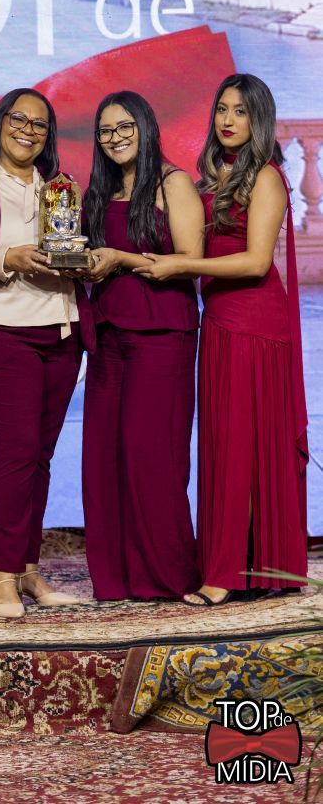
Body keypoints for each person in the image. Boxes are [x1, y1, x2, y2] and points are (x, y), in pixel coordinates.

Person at [135, 74, 308, 605]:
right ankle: (242, 564)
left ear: (260, 120)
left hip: (255, 324)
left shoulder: (267, 177)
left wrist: (181, 266)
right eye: (222, 109)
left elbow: (256, 262)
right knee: (225, 445)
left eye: (241, 111)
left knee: (242, 447)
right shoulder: (215, 177)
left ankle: (226, 574)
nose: (228, 120)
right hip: (219, 321)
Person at [0, 88, 95, 618]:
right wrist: (10, 258)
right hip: (2, 331)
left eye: (39, 124)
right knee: (16, 451)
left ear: (48, 136)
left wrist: (84, 262)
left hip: (62, 333)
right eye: (19, 119)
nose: (28, 130)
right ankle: (1, 578)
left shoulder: (61, 188)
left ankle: (27, 569)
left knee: (40, 456)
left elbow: (70, 250)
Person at [80, 91, 203, 600]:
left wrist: (120, 258)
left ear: (146, 126)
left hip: (162, 334)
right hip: (108, 334)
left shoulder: (174, 183)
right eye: (106, 130)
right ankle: (117, 578)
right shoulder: (98, 192)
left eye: (125, 126)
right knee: (103, 458)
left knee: (152, 456)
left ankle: (168, 576)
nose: (115, 138)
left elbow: (189, 259)